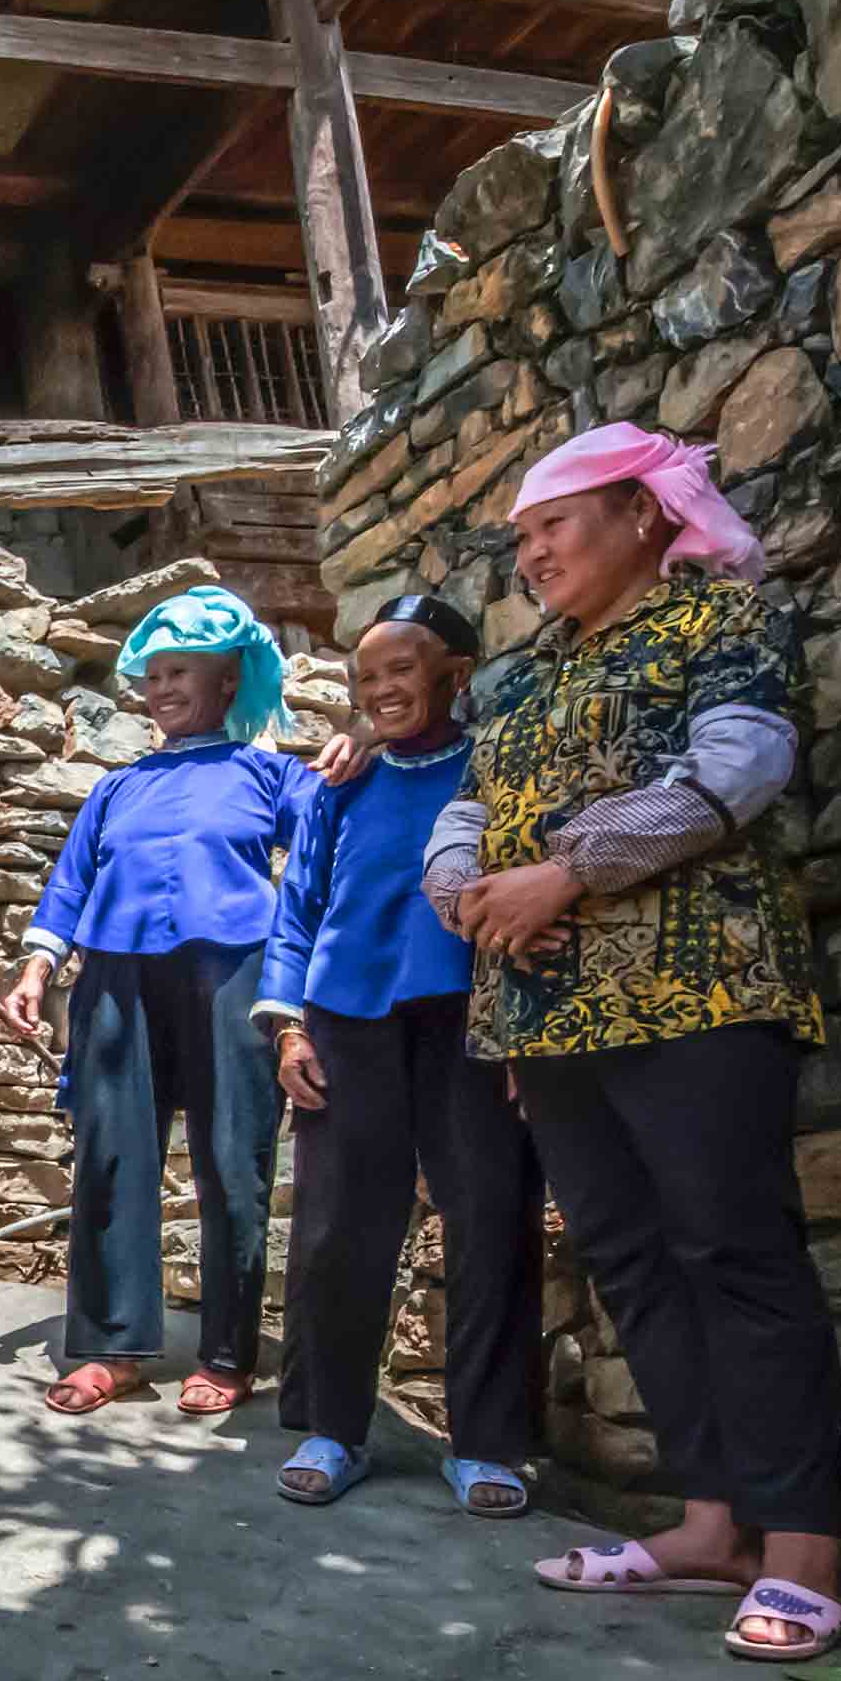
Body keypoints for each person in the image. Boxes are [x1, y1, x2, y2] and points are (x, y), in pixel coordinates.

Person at [421, 425, 841, 1662]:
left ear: (644, 515)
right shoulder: (515, 676)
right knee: (630, 1258)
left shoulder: (723, 623)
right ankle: (710, 1524)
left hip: (699, 986)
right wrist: (465, 893)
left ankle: (803, 1552)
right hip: (545, 1011)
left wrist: (565, 871)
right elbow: (463, 806)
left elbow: (740, 765)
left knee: (734, 1248)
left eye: (553, 523)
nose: (532, 551)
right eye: (519, 537)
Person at [253, 595, 543, 1515]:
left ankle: (489, 1442)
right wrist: (289, 1025)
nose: (380, 689)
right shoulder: (343, 783)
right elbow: (296, 909)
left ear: (457, 673)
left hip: (468, 1016)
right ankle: (333, 1427)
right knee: (339, 1226)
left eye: (401, 670)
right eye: (365, 676)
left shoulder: (498, 767)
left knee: (493, 1215)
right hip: (348, 1018)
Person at [2, 584, 314, 1419]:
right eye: (155, 674)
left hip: (233, 978)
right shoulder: (118, 788)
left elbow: (325, 849)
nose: (165, 687)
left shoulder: (271, 774)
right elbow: (71, 883)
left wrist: (347, 762)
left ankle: (226, 1352)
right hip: (118, 983)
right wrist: (37, 969)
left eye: (185, 672)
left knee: (233, 1162)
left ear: (226, 684)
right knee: (113, 1158)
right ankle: (111, 1350)